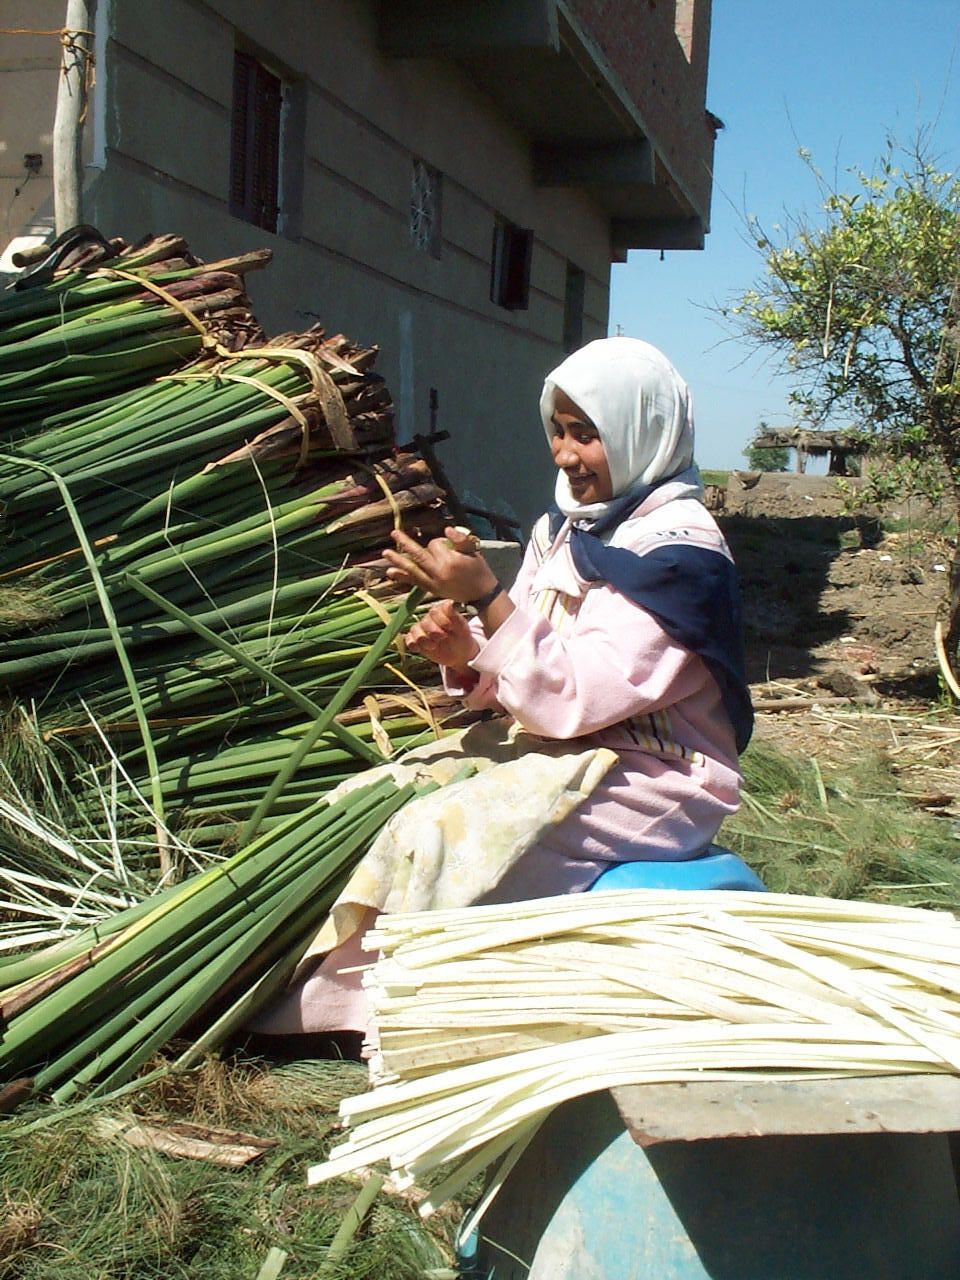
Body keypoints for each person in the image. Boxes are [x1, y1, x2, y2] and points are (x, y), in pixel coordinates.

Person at [382, 336, 753, 902]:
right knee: (387, 791)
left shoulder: (678, 558)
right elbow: (526, 654)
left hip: (655, 780)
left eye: (587, 434)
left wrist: (485, 594)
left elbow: (571, 695)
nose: (563, 453)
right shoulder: (562, 530)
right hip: (561, 750)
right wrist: (464, 651)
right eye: (558, 430)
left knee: (439, 839)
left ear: (639, 432)